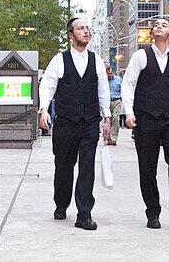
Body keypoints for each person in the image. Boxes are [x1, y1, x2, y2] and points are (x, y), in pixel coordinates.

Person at [122, 16, 169, 233]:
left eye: (164, 25)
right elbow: (129, 84)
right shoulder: (140, 56)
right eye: (156, 25)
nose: (158, 27)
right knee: (147, 168)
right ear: (151, 33)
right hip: (145, 118)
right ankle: (153, 211)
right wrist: (129, 112)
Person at [38, 16, 112, 230]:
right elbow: (48, 86)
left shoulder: (96, 60)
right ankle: (61, 204)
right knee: (63, 166)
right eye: (80, 29)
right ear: (71, 35)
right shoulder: (59, 60)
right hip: (66, 122)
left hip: (89, 121)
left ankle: (84, 214)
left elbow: (102, 91)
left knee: (87, 166)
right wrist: (44, 109)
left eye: (87, 28)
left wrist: (106, 118)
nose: (86, 32)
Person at [107, 65, 123, 145]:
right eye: (108, 74)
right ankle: (109, 138)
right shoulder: (105, 81)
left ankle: (114, 138)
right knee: (108, 119)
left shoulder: (119, 80)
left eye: (111, 73)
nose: (110, 75)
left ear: (113, 72)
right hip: (108, 101)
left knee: (115, 118)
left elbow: (123, 90)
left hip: (116, 101)